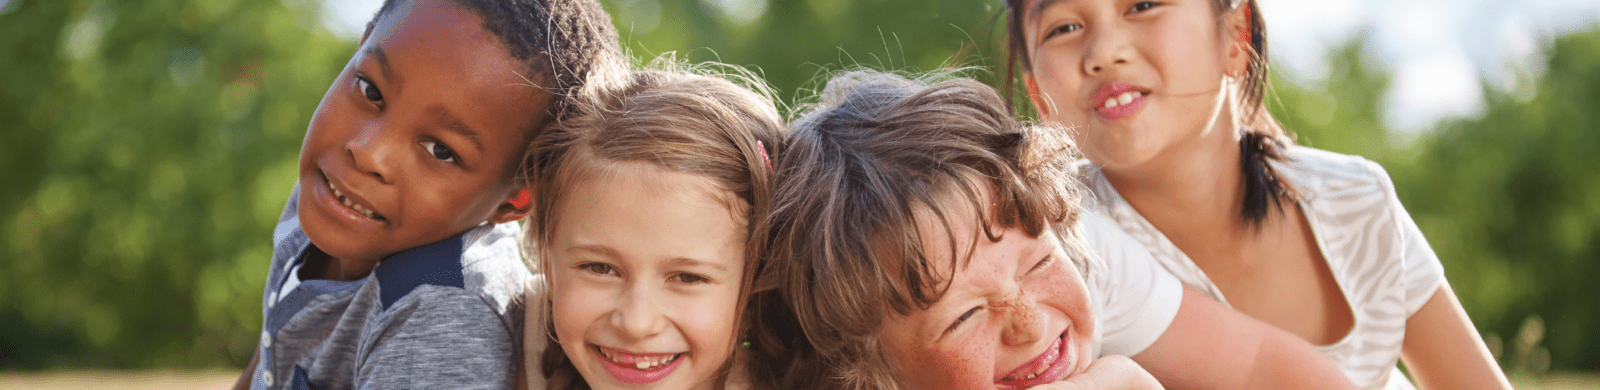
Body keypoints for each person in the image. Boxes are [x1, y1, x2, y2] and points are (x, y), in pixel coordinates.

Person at [1000, 0, 1512, 388]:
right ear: (1037, 95)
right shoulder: (1048, 250)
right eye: (1064, 27)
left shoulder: (1354, 200)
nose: (1103, 53)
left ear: (1236, 35)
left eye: (1143, 4)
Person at [765, 69, 1355, 390]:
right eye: (964, 317)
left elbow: (1260, 367)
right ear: (870, 374)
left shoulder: (1078, 247)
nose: (1028, 323)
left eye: (1038, 265)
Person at [233, 0, 621, 388]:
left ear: (513, 201)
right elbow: (272, 356)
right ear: (360, 47)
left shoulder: (441, 315)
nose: (368, 152)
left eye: (440, 151)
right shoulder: (329, 192)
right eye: (370, 91)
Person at [519, 63, 787, 390]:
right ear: (548, 260)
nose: (637, 323)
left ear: (758, 282)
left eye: (688, 277)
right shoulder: (509, 337)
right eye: (600, 268)